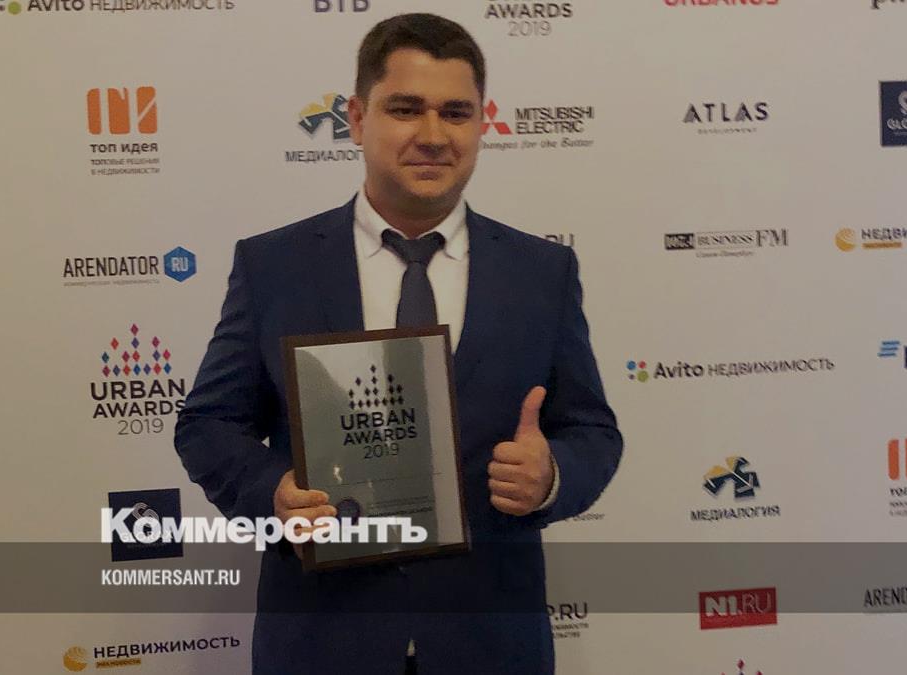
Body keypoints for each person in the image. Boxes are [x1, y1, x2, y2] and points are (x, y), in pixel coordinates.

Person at [174, 13, 622, 675]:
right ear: (357, 119)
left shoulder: (542, 273)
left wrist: (552, 475)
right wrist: (273, 492)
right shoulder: (275, 266)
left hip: (491, 647)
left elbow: (592, 431)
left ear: (482, 123)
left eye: (456, 113)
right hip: (323, 645)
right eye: (406, 109)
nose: (433, 136)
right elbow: (208, 424)